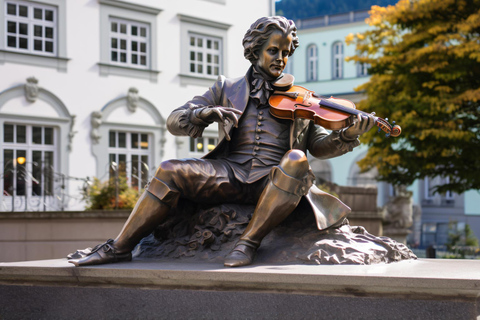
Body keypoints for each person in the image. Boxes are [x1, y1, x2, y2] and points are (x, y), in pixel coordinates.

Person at [69, 16, 374, 267]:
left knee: (297, 159)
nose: (281, 59)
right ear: (255, 51)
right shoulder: (226, 88)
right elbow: (175, 120)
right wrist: (204, 113)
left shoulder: (304, 99)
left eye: (285, 53)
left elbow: (319, 146)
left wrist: (347, 134)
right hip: (229, 172)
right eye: (273, 51)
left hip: (274, 182)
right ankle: (120, 246)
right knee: (168, 169)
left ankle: (248, 243)